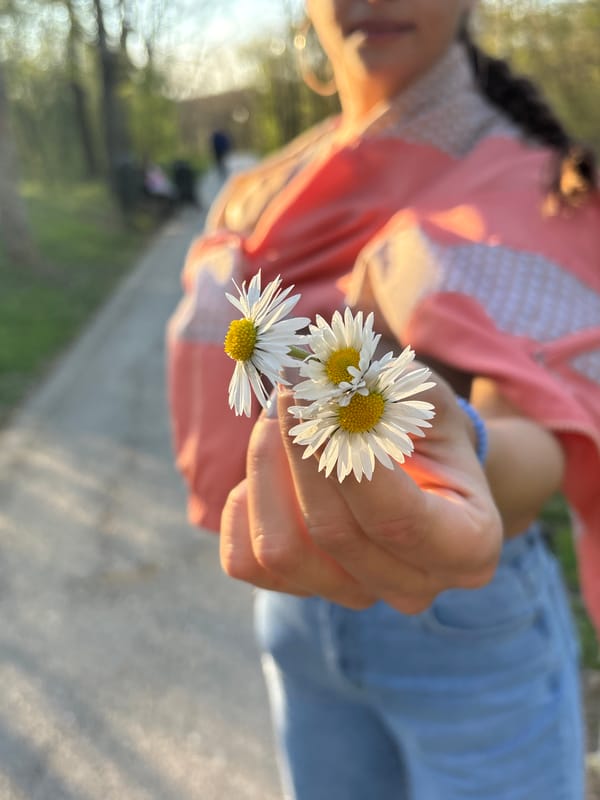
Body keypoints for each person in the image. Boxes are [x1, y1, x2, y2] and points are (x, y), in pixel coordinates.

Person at [167, 1, 600, 798]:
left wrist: (461, 445)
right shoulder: (269, 188)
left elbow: (549, 426)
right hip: (296, 617)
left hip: (468, 622)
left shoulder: (534, 183)